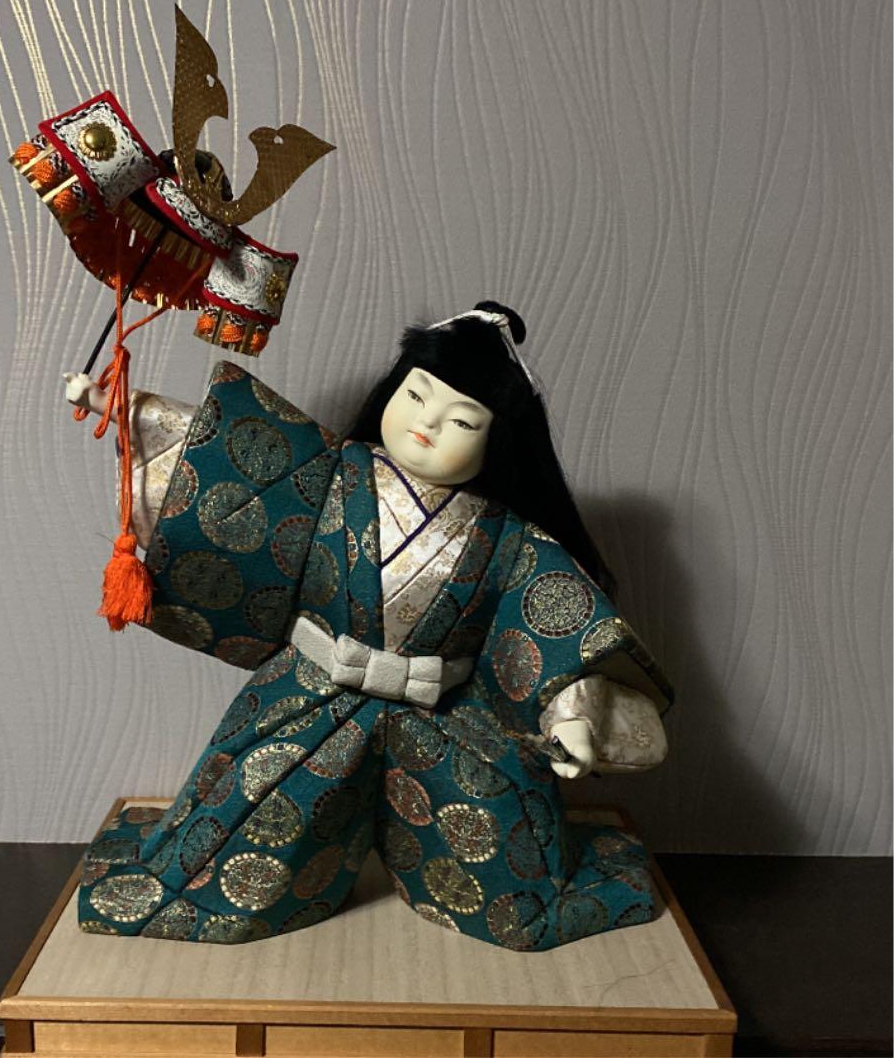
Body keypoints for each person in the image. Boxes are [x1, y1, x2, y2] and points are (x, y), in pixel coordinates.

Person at [64, 303, 671, 951]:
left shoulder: (511, 539)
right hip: (311, 698)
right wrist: (117, 407)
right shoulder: (328, 473)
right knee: (240, 843)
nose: (427, 424)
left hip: (441, 718)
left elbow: (556, 621)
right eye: (417, 396)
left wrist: (570, 714)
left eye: (461, 420)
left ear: (499, 441)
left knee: (508, 880)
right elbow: (223, 453)